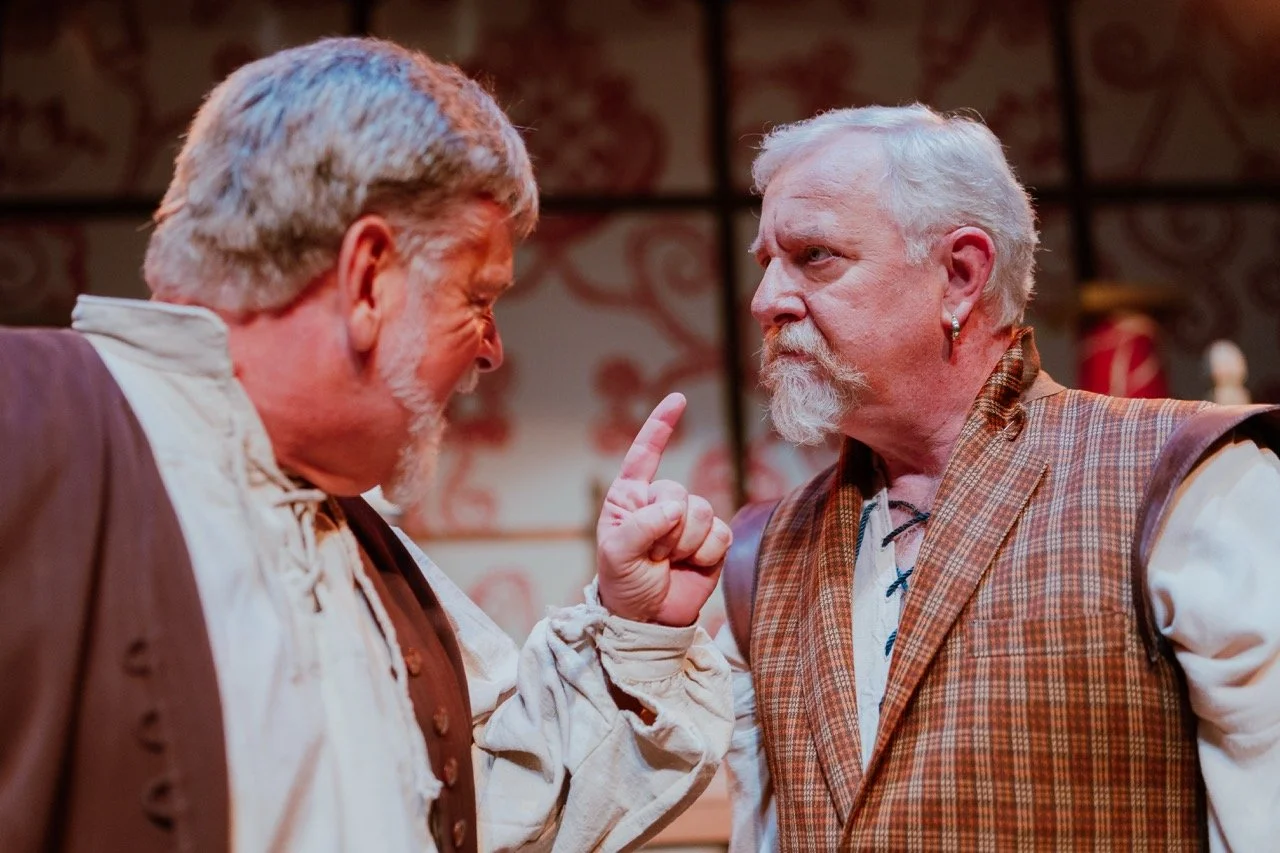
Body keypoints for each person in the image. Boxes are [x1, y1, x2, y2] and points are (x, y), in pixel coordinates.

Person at [0, 37, 735, 853]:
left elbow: (487, 808)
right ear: (367, 279)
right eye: (476, 294)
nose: (489, 349)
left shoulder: (354, 537)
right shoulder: (26, 428)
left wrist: (633, 628)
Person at [717, 103, 1280, 851]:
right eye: (766, 264)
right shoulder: (761, 551)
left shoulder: (1187, 482)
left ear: (959, 274)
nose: (766, 302)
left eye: (814, 255)